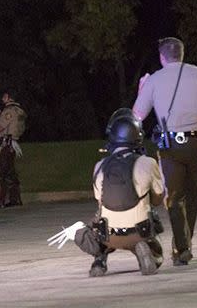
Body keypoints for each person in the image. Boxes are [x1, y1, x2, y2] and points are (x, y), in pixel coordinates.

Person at [132, 37, 197, 266]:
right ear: (182, 54)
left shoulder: (154, 80)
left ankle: (182, 247)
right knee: (193, 195)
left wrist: (141, 89)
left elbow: (136, 115)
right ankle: (183, 246)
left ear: (162, 56)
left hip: (171, 146)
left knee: (174, 199)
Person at [47, 108, 165, 277]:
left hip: (109, 237)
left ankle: (99, 259)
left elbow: (100, 200)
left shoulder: (99, 166)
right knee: (150, 215)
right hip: (140, 232)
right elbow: (158, 198)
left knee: (97, 219)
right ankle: (145, 250)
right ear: (137, 136)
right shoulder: (147, 163)